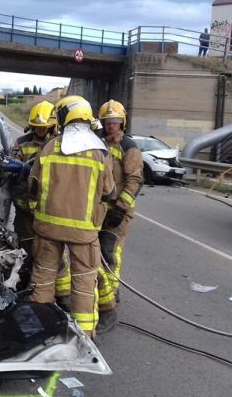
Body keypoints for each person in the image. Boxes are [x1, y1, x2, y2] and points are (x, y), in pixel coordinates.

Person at [27, 95, 115, 338]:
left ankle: (38, 327)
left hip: (47, 227)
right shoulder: (100, 152)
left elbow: (32, 186)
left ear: (65, 116)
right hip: (84, 231)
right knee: (85, 282)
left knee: (43, 275)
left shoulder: (48, 147)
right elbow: (109, 192)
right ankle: (85, 333)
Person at [94, 99, 143, 333]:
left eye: (114, 122)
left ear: (122, 122)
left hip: (117, 211)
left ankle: (111, 297)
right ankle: (102, 291)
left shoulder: (129, 147)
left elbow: (134, 180)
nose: (111, 126)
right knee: (95, 253)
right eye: (107, 122)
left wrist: (121, 208)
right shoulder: (98, 143)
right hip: (99, 209)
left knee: (109, 253)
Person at [12, 101, 56, 288]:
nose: (39, 130)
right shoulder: (21, 144)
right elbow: (11, 178)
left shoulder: (59, 144)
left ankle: (47, 290)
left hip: (51, 210)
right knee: (27, 252)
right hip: (26, 211)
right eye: (36, 127)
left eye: (43, 127)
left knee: (50, 255)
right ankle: (25, 287)